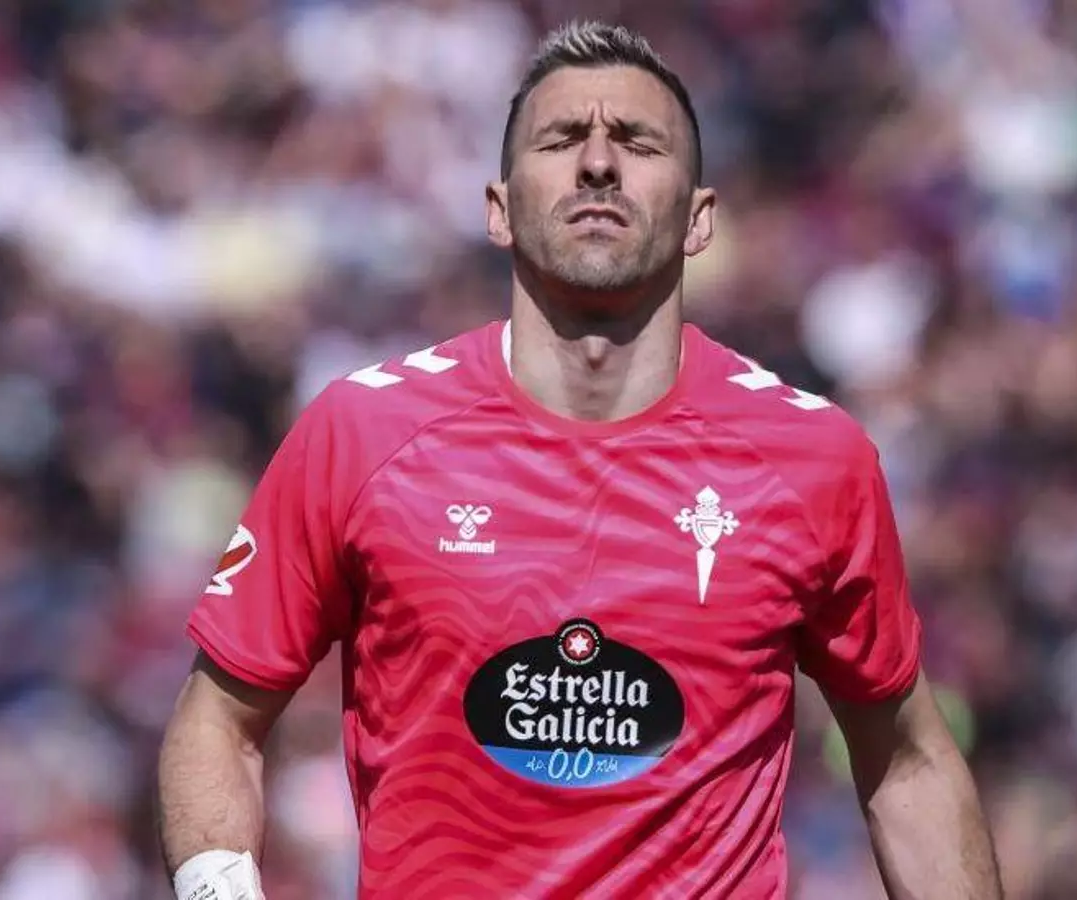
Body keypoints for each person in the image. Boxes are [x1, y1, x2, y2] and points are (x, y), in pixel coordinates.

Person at [157, 20, 1003, 900]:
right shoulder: (361, 433)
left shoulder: (814, 459)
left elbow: (908, 761)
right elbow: (218, 717)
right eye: (561, 140)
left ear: (700, 218)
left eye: (638, 142)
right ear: (498, 208)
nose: (598, 164)